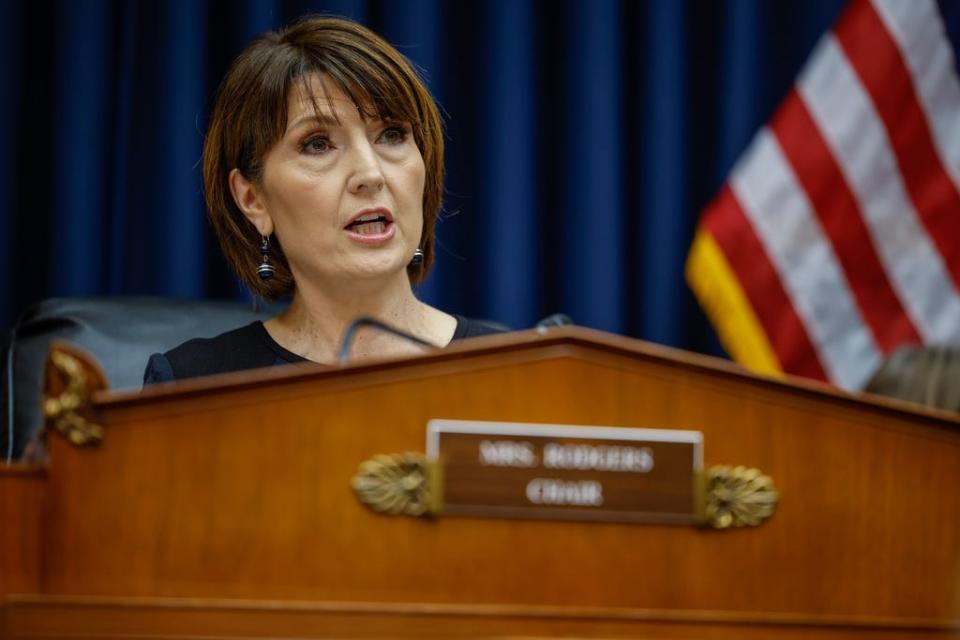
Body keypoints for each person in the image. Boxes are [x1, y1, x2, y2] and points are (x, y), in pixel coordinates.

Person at [144, 16, 506, 384]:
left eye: (392, 134)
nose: (370, 174)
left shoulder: (525, 371)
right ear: (253, 200)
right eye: (317, 144)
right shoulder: (193, 385)